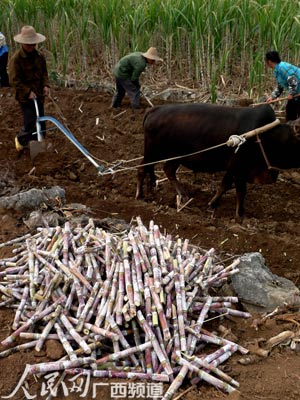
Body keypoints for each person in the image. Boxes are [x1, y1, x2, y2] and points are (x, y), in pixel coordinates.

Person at [9, 25, 50, 151]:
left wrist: (46, 85)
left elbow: (44, 73)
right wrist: (28, 92)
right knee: (31, 121)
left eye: (33, 44)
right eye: (28, 45)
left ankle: (38, 146)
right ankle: (21, 139)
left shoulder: (39, 56)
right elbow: (14, 80)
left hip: (39, 94)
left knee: (41, 121)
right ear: (22, 43)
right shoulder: (16, 59)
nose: (31, 47)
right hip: (25, 97)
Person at [265, 50, 300, 121]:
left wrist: (291, 93)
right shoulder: (277, 71)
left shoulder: (283, 67)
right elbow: (280, 87)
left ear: (269, 61)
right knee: (290, 112)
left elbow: (293, 80)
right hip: (296, 93)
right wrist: (272, 97)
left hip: (298, 92)